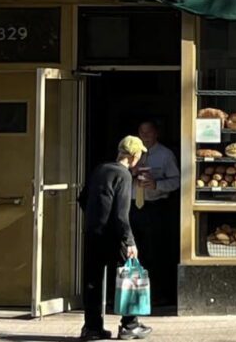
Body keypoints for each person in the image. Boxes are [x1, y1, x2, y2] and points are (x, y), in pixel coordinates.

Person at [79, 135, 153, 341]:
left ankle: (92, 328)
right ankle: (129, 325)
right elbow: (121, 215)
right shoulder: (124, 175)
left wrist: (96, 218)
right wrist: (129, 241)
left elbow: (82, 198)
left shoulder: (100, 169)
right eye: (140, 155)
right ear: (134, 156)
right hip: (114, 235)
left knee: (93, 281)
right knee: (127, 277)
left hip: (94, 233)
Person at [130, 120, 181, 303]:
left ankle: (156, 295)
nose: (145, 136)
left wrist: (157, 184)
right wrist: (131, 173)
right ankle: (132, 293)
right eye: (141, 132)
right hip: (132, 207)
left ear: (156, 133)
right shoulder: (130, 153)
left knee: (155, 251)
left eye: (149, 132)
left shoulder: (165, 155)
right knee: (132, 252)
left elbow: (176, 181)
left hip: (155, 208)